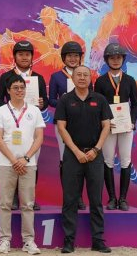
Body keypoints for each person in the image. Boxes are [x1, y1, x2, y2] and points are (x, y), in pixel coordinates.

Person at [56, 65, 113, 254]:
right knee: (70, 199)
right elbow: (61, 128)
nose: (82, 78)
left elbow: (106, 126)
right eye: (78, 75)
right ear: (72, 78)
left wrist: (96, 149)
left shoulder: (100, 99)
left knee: (96, 200)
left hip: (94, 156)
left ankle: (98, 240)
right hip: (72, 156)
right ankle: (69, 241)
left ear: (90, 78)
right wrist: (76, 151)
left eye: (85, 75)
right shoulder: (65, 100)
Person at [0, 74, 45, 255]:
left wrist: (26, 158)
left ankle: (28, 241)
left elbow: (39, 138)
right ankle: (4, 240)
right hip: (6, 164)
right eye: (15, 88)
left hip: (28, 164)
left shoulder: (34, 111)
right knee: (5, 203)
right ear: (8, 90)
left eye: (22, 87)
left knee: (28, 204)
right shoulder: (0, 111)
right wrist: (15, 160)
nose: (19, 91)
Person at [0, 40, 49, 210]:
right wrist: (10, 109)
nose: (24, 57)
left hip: (31, 126)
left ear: (32, 57)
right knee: (12, 160)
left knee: (32, 162)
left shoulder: (38, 78)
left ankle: (29, 197)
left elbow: (45, 102)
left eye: (27, 54)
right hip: (11, 126)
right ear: (15, 56)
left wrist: (42, 104)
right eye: (20, 54)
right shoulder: (5, 77)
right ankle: (13, 198)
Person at [94, 43, 137, 211]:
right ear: (107, 60)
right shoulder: (100, 81)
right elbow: (97, 104)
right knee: (108, 161)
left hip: (126, 126)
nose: (115, 61)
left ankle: (123, 199)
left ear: (123, 59)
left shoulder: (130, 80)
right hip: (109, 127)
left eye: (118, 57)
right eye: (112, 58)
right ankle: (112, 198)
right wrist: (103, 121)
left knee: (126, 160)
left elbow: (136, 104)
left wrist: (132, 121)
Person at [49, 41, 89, 210]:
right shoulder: (56, 76)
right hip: (62, 122)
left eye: (76, 56)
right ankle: (68, 195)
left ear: (80, 58)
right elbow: (51, 100)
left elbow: (91, 96)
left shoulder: (85, 74)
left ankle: (79, 197)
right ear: (63, 58)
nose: (73, 59)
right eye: (69, 56)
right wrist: (65, 101)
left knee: (80, 158)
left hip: (82, 122)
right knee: (65, 159)